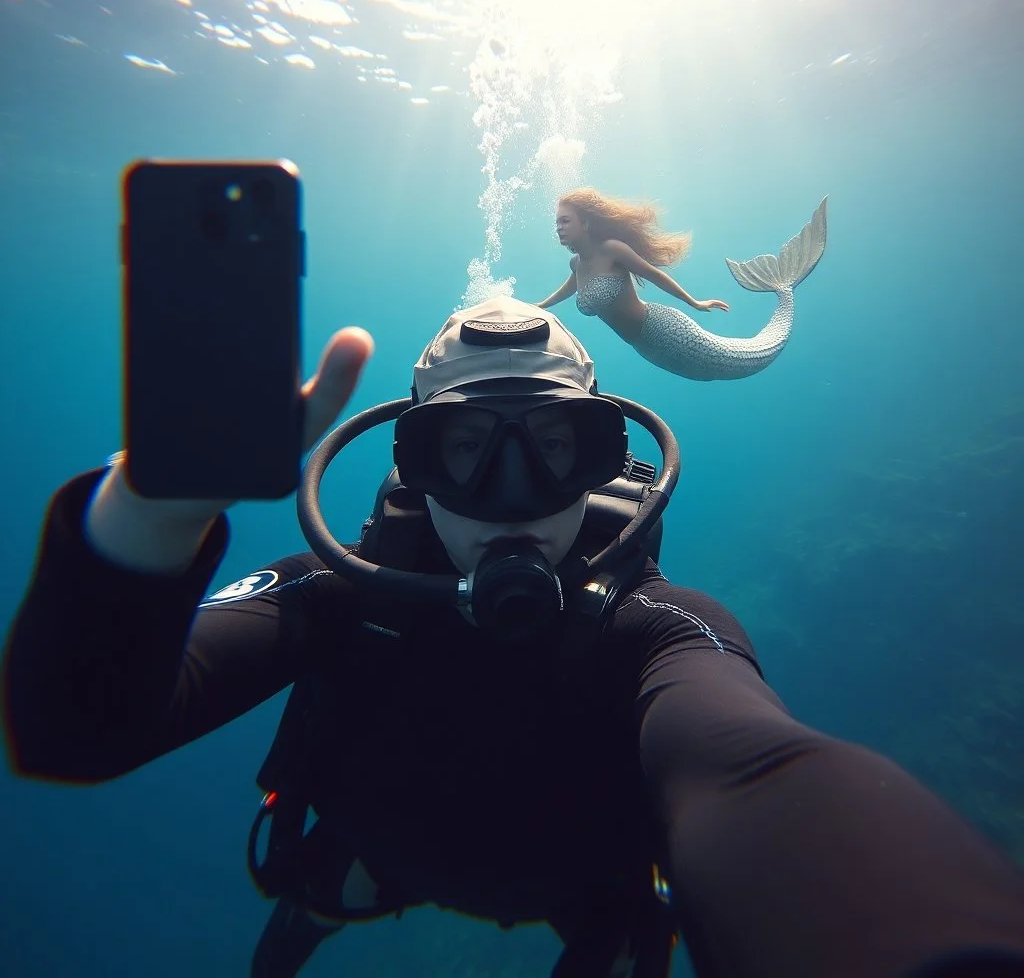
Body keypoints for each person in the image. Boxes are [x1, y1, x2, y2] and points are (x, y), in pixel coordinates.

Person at [4, 295, 1024, 978]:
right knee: (321, 899)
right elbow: (68, 736)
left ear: (602, 460)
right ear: (409, 468)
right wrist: (150, 517)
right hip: (371, 856)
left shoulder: (658, 628)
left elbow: (762, 770)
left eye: (549, 449)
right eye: (462, 451)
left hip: (593, 896)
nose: (507, 499)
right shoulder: (333, 595)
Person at [538, 187, 827, 382]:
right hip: (646, 347)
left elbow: (655, 275)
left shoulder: (612, 250)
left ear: (586, 223)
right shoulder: (578, 264)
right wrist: (535, 307)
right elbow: (566, 291)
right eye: (556, 223)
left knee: (741, 359)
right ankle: (783, 286)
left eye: (565, 220)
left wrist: (695, 303)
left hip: (664, 330)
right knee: (711, 373)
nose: (559, 228)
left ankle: (784, 288)